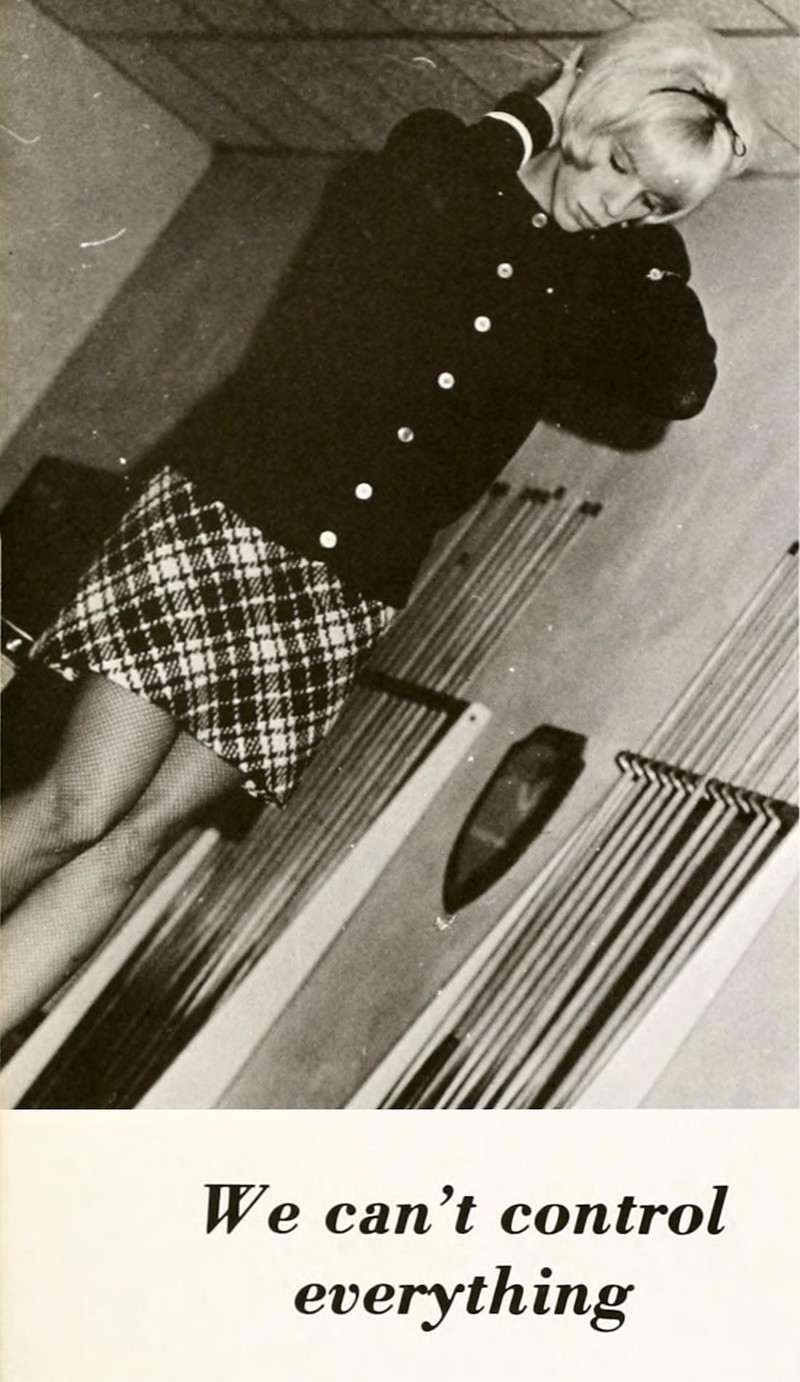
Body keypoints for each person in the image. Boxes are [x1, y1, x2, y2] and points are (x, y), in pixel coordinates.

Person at [1, 18, 755, 1035]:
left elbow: (679, 382)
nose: (616, 202)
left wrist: (653, 235)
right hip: (228, 518)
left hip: (343, 586)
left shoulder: (597, 276)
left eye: (650, 199)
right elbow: (430, 169)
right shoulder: (447, 171)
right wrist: (543, 111)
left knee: (138, 840)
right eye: (619, 164)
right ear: (586, 120)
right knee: (79, 808)